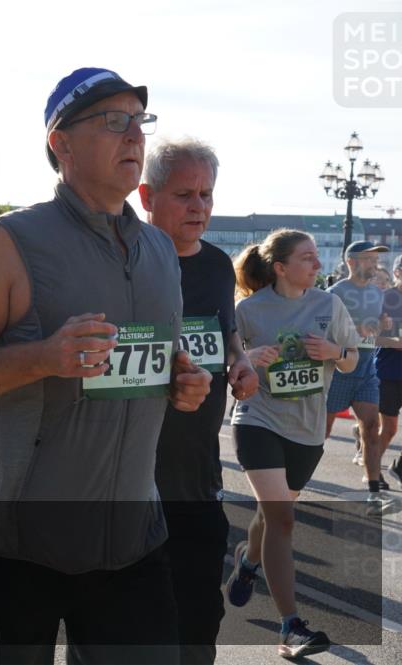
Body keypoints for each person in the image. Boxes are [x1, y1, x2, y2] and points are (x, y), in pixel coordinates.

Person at [0, 67, 211, 664]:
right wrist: (43, 357)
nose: (134, 135)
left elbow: (155, 359)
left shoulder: (160, 249)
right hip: (18, 548)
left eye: (140, 122)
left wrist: (183, 380)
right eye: (114, 121)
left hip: (133, 542)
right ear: (62, 142)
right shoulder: (11, 240)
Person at [138, 137, 259, 664]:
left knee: (199, 619)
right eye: (184, 195)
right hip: (129, 480)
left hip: (199, 478)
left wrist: (241, 360)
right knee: (130, 627)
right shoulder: (125, 259)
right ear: (148, 196)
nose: (199, 207)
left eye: (206, 195)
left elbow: (226, 331)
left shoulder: (216, 265)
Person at [225, 228, 359, 658]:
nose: (318, 264)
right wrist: (248, 359)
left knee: (271, 517)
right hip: (258, 419)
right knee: (282, 519)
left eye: (317, 256)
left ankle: (248, 561)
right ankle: (291, 628)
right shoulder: (248, 310)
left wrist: (334, 352)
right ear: (281, 267)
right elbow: (230, 366)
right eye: (307, 258)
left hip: (307, 430)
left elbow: (353, 358)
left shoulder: (329, 305)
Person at [324, 241, 396, 507]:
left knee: (371, 427)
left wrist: (383, 325)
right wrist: (356, 329)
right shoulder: (335, 293)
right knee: (322, 432)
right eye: (368, 259)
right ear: (351, 262)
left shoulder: (377, 293)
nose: (374, 264)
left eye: (375, 260)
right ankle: (293, 479)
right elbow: (322, 329)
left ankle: (374, 492)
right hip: (338, 369)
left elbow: (376, 329)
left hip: (366, 368)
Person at [381, 256, 402, 485]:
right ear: (397, 273)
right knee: (388, 429)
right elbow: (372, 337)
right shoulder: (386, 298)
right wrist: (395, 342)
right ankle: (372, 470)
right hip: (389, 371)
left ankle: (399, 467)